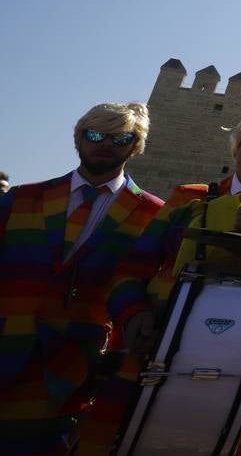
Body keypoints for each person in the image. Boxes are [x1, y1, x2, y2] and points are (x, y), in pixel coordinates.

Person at [96, 103, 241, 454]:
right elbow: (133, 267)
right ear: (236, 146)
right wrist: (133, 313)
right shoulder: (188, 198)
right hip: (160, 336)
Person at [0, 102, 164, 455]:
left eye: (120, 137)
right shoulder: (23, 198)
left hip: (77, 364)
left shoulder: (154, 214)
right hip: (7, 342)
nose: (105, 144)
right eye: (94, 135)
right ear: (79, 139)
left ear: (135, 146)